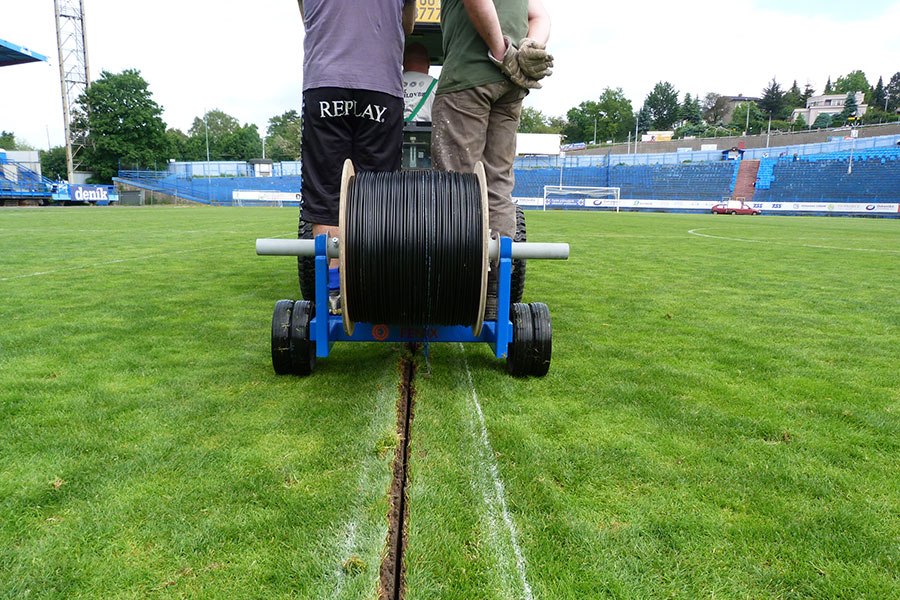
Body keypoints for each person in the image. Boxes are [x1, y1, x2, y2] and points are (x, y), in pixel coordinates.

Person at [431, 0, 552, 318]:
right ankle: (493, 297)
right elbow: (539, 14)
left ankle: (455, 296)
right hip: (512, 85)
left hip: (469, 76)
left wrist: (503, 52)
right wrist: (531, 48)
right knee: (497, 188)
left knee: (454, 189)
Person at [298, 0, 416, 313]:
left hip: (324, 81)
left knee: (327, 195)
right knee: (379, 197)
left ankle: (334, 292)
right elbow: (407, 26)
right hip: (380, 86)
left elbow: (307, 17)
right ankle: (373, 287)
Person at [402, 43, 437, 123]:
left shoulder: (391, 85)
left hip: (394, 133)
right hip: (426, 135)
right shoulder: (438, 86)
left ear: (403, 63)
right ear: (428, 64)